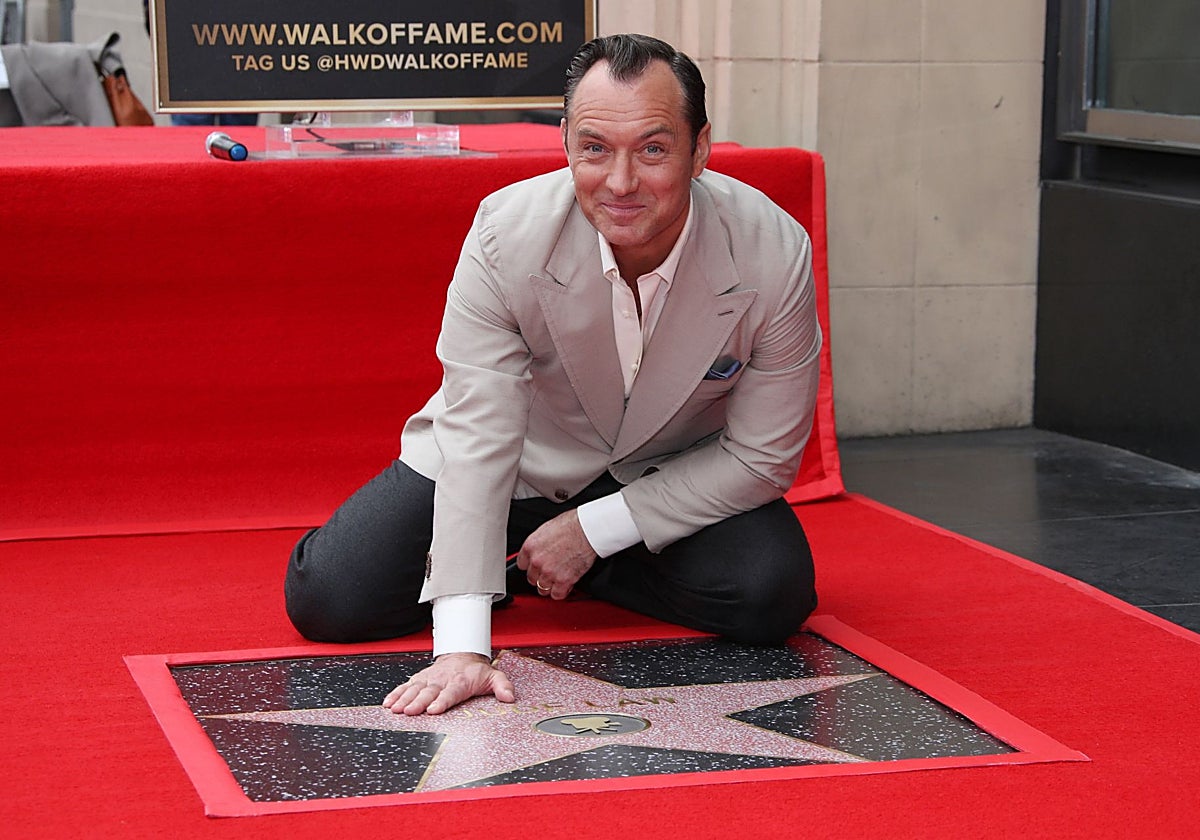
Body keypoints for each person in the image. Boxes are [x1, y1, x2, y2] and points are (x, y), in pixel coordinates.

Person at [284, 33, 822, 716]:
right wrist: (462, 645)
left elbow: (763, 454)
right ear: (565, 142)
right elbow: (479, 431)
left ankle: (590, 561)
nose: (621, 182)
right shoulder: (506, 233)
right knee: (332, 597)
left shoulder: (774, 251)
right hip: (518, 464)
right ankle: (513, 567)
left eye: (653, 149)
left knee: (771, 594)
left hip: (666, 473)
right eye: (594, 149)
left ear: (701, 147)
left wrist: (595, 531)